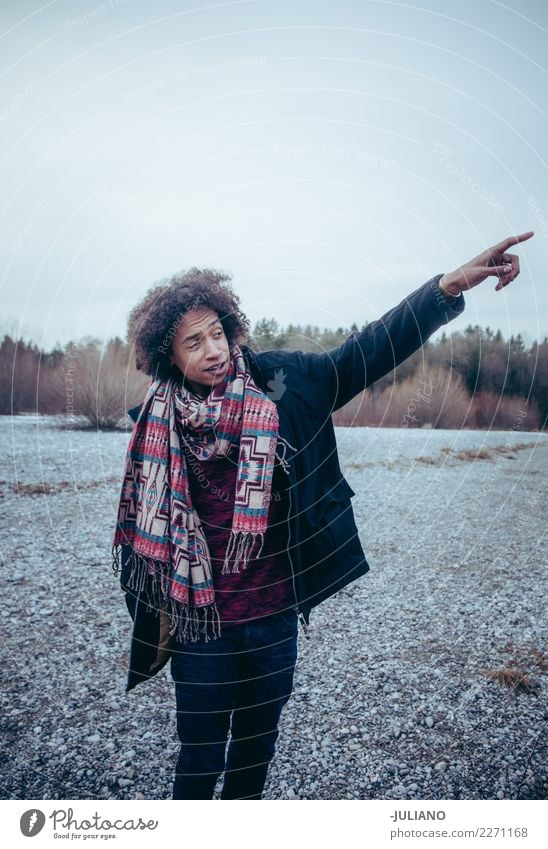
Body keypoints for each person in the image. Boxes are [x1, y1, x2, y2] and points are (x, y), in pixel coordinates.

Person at [111, 231, 534, 800]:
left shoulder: (288, 386)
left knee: (256, 746)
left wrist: (448, 287)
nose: (213, 350)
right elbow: (145, 537)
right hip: (199, 624)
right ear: (169, 355)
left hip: (272, 616)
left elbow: (371, 349)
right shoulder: (153, 426)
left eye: (217, 333)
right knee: (200, 751)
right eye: (193, 342)